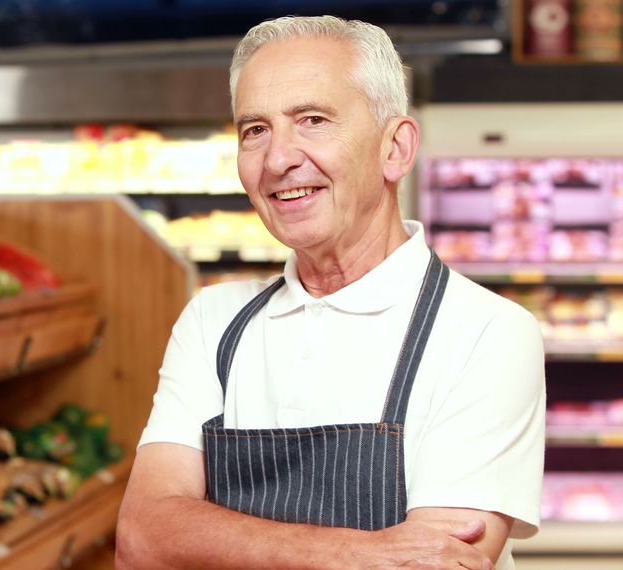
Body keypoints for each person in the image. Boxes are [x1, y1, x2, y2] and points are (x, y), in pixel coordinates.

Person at [116, 15, 545, 570]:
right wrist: (358, 552)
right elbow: (143, 540)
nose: (278, 160)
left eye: (313, 120)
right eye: (255, 130)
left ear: (395, 148)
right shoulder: (214, 321)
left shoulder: (484, 333)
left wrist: (211, 538)